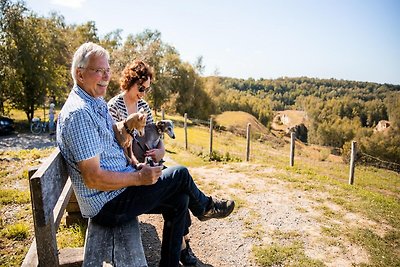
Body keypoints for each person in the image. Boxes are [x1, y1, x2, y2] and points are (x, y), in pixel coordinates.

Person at [56, 42, 235, 267]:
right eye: (99, 70)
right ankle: (206, 207)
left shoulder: (95, 102)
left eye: (108, 70)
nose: (106, 76)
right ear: (80, 74)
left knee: (180, 199)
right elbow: (93, 178)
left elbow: (115, 142)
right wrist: (138, 178)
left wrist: (133, 160)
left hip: (118, 190)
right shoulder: (80, 113)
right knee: (180, 173)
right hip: (107, 205)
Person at [108, 60, 197, 265]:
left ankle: (183, 243)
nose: (143, 93)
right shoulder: (114, 107)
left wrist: (160, 151)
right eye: (141, 88)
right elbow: (118, 145)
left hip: (148, 163)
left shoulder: (144, 106)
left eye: (147, 89)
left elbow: (153, 138)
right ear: (130, 81)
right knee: (180, 186)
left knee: (179, 188)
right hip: (131, 169)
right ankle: (185, 243)